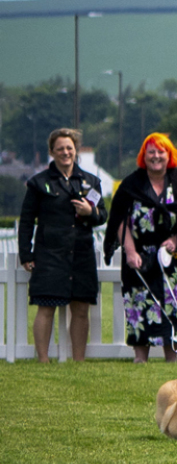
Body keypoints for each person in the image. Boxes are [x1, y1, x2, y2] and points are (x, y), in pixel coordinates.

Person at [106, 133, 177, 363]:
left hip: (173, 258)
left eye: (160, 152)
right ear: (143, 156)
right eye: (151, 152)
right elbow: (119, 219)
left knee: (173, 306)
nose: (156, 156)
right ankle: (140, 359)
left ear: (169, 155)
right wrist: (130, 251)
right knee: (141, 303)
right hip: (140, 258)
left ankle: (171, 358)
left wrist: (176, 238)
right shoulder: (131, 184)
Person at [17, 127, 106, 363]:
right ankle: (43, 360)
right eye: (60, 149)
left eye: (69, 148)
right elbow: (26, 221)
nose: (65, 153)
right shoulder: (38, 183)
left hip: (81, 253)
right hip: (49, 254)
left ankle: (79, 361)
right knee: (46, 308)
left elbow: (103, 215)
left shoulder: (91, 181)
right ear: (51, 152)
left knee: (80, 309)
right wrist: (26, 254)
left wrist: (90, 212)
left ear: (76, 150)